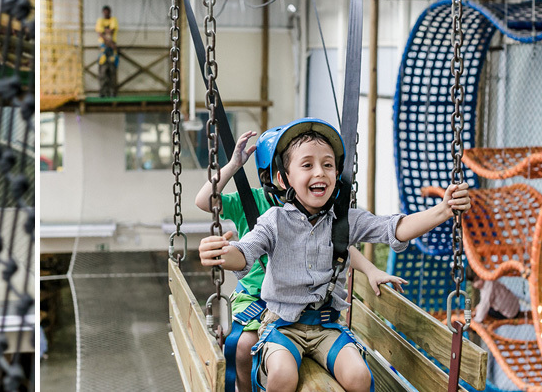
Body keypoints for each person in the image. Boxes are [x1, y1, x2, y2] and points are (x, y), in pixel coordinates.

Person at [198, 118, 471, 392]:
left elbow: (395, 228)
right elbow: (245, 253)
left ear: (336, 175)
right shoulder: (274, 220)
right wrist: (223, 254)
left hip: (325, 327)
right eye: (307, 165)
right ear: (284, 179)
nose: (319, 172)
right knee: (282, 376)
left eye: (328, 165)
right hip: (282, 326)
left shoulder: (344, 221)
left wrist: (443, 210)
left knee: (359, 377)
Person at [95, 5, 119, 97]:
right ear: (103, 12)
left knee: (112, 71)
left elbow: (111, 32)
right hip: (104, 49)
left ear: (110, 12)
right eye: (104, 12)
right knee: (103, 71)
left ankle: (113, 92)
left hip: (112, 50)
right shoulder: (100, 21)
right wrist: (111, 44)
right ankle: (103, 93)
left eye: (107, 11)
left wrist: (105, 32)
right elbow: (100, 34)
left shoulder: (113, 20)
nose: (106, 13)